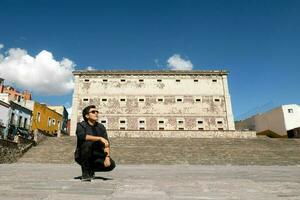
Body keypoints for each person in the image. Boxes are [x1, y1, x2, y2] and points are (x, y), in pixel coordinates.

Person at [75, 105, 116, 181]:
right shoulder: (81, 125)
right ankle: (86, 173)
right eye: (93, 112)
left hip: (97, 155)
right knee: (87, 143)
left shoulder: (101, 127)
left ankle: (91, 170)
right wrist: (99, 138)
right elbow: (82, 136)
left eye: (97, 112)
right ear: (87, 115)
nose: (96, 113)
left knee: (111, 165)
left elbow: (106, 143)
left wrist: (107, 157)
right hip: (83, 154)